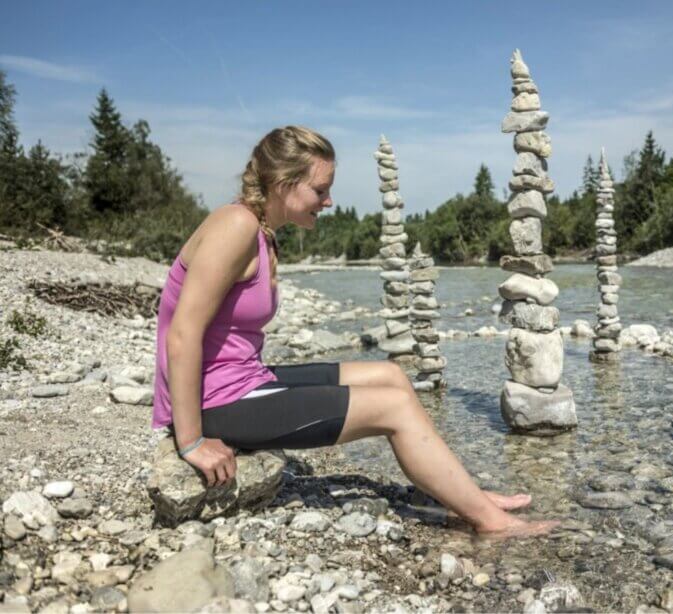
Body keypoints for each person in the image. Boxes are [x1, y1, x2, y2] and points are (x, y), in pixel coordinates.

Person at [152, 125, 554, 537]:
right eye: (320, 190)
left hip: (245, 381)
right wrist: (191, 441)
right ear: (284, 183)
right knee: (392, 409)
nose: (328, 201)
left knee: (391, 375)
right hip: (217, 402)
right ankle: (492, 524)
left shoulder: (261, 232)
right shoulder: (235, 225)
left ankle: (462, 493)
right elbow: (181, 334)